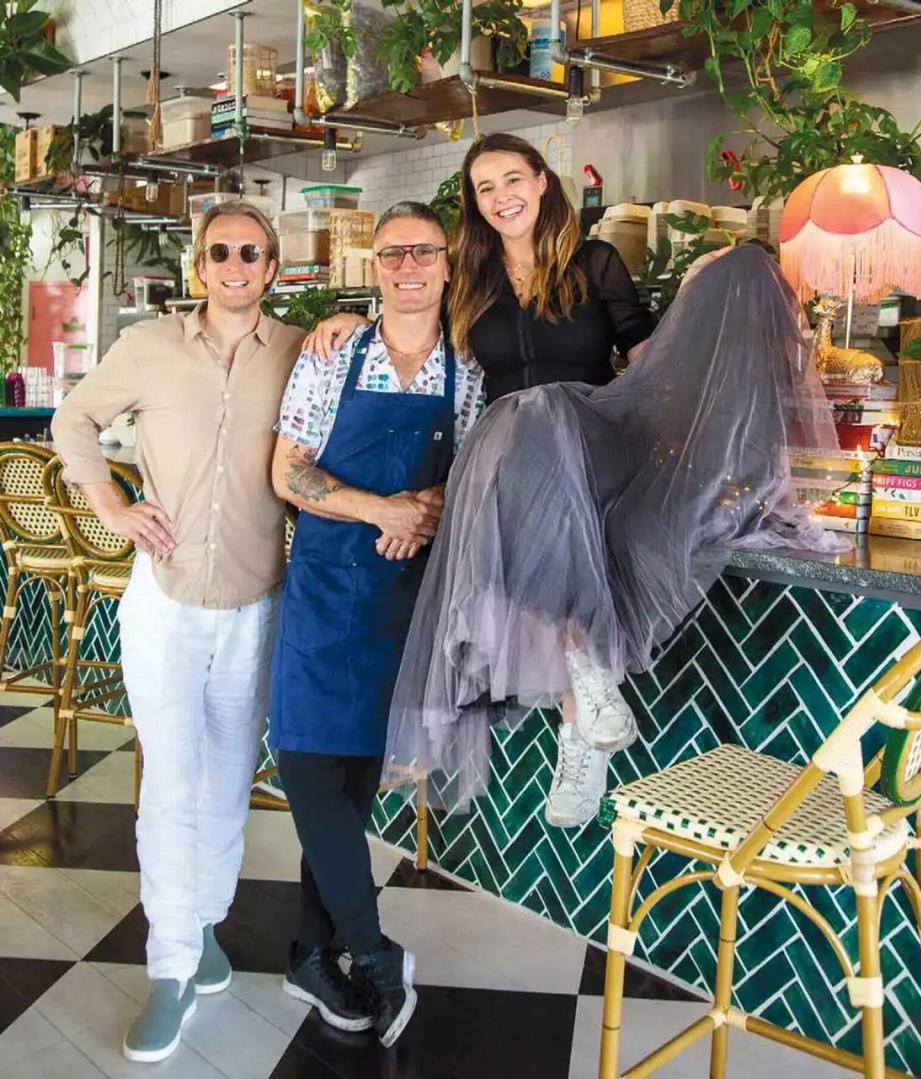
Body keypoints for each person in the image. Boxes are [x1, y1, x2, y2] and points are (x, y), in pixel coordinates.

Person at [383, 243, 847, 810]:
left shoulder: (608, 277)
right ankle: (589, 694)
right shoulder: (486, 281)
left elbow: (721, 453)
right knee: (528, 434)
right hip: (541, 468)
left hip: (607, 473)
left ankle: (584, 712)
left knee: (534, 437)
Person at [306, 132, 657, 829]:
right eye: (484, 188)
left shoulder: (596, 263)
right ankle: (583, 712)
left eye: (511, 179)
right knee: (516, 486)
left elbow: (646, 362)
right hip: (506, 464)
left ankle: (584, 711)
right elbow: (412, 318)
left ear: (542, 181)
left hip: (590, 447)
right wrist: (352, 318)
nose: (501, 197)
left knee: (546, 427)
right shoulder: (471, 276)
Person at [52, 202, 306, 1064]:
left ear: (273, 268)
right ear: (202, 265)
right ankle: (169, 966)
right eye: (221, 251)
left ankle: (205, 931)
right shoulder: (149, 346)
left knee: (228, 782)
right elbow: (71, 420)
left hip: (254, 600)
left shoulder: (297, 350)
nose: (236, 264)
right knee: (169, 780)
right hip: (164, 600)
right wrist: (114, 506)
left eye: (253, 252)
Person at [269, 201, 485, 1047]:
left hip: (402, 590)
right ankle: (375, 951)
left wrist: (419, 511)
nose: (406, 265)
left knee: (353, 781)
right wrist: (381, 508)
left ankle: (307, 954)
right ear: (376, 266)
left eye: (422, 251)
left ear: (445, 262)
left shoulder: (467, 368)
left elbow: (471, 473)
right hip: (327, 584)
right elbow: (289, 471)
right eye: (392, 252)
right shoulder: (331, 354)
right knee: (307, 762)